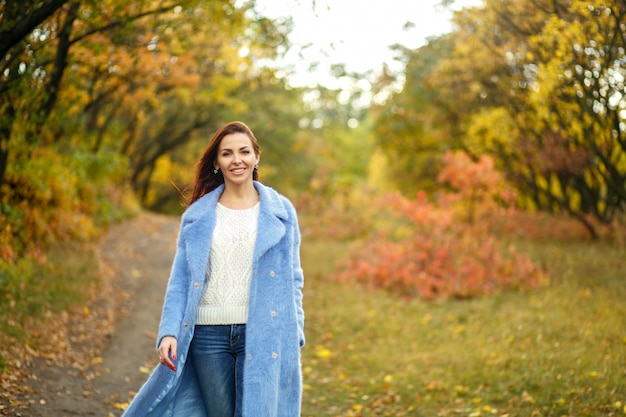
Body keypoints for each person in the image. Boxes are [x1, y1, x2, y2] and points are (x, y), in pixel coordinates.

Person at [122, 121, 305, 417]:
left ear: (257, 157)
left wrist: (295, 329)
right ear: (217, 162)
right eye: (227, 153)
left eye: (244, 151)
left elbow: (293, 277)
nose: (237, 160)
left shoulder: (281, 212)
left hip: (262, 331)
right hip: (207, 336)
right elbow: (180, 281)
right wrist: (168, 331)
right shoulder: (197, 215)